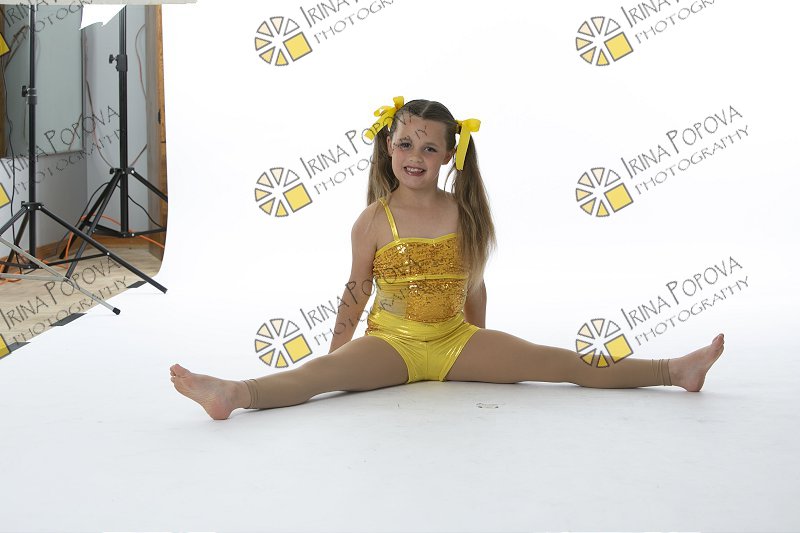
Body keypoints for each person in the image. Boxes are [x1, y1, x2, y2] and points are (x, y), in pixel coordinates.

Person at [170, 97, 726, 420]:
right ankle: (234, 393)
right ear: (388, 147)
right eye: (405, 144)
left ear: (448, 155)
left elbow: (474, 285)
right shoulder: (373, 220)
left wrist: (480, 346)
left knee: (560, 363)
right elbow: (356, 292)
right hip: (392, 343)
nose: (415, 155)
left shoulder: (464, 213)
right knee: (312, 379)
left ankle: (672, 370)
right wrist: (338, 356)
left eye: (429, 147)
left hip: (455, 341)